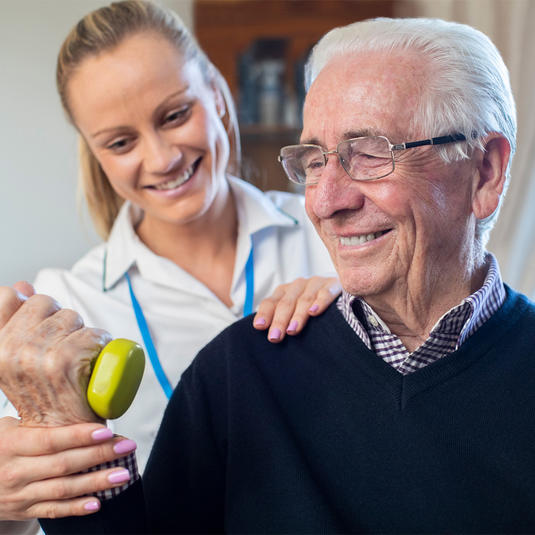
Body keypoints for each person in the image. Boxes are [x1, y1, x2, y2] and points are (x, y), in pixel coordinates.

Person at [2, 14, 534, 534]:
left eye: (370, 153)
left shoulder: (341, 253)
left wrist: (359, 288)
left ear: (484, 171)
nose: (324, 203)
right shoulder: (81, 312)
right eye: (315, 160)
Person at [0, 0, 340, 531]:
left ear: (217, 92)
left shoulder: (335, 235)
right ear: (95, 153)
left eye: (176, 114)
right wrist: (10, 494)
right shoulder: (67, 307)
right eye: (120, 142)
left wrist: (362, 309)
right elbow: (30, 519)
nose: (161, 159)